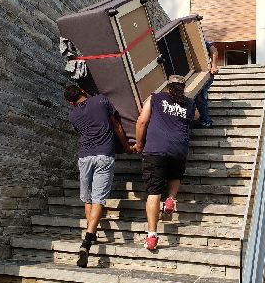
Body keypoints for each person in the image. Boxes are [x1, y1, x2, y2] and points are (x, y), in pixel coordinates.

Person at [64, 84, 133, 268]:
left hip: (84, 157)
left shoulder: (73, 116)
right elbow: (116, 124)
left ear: (71, 103)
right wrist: (126, 147)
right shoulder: (101, 100)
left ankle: (90, 233)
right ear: (83, 91)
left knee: (88, 199)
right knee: (98, 200)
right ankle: (87, 241)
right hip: (104, 155)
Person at [134, 75, 195, 251]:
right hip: (179, 149)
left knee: (154, 192)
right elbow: (196, 116)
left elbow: (142, 121)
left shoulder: (155, 98)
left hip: (156, 149)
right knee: (176, 175)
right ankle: (170, 199)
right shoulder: (190, 104)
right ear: (183, 87)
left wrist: (139, 144)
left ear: (168, 86)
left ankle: (152, 236)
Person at [194, 41, 219, 128]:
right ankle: (201, 117)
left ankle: (206, 120)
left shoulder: (200, 40)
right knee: (199, 96)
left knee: (199, 96)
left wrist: (214, 66)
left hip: (206, 74)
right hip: (195, 76)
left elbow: (214, 50)